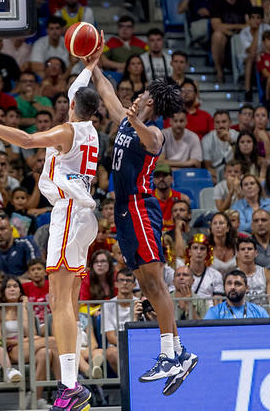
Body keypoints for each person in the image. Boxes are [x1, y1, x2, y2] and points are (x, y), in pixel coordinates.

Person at [0, 56, 102, 409]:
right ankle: (71, 381)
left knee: (58, 301)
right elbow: (78, 87)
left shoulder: (68, 131)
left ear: (73, 106)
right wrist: (90, 63)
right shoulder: (91, 130)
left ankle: (70, 386)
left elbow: (26, 139)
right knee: (68, 300)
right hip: (82, 217)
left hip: (69, 214)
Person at [88, 39, 196, 394]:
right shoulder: (125, 121)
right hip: (121, 209)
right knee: (145, 286)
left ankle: (171, 354)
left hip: (139, 206)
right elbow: (106, 95)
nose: (134, 98)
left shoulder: (155, 132)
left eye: (142, 95)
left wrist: (135, 119)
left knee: (154, 283)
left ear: (151, 101)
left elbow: (151, 141)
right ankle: (179, 354)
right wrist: (94, 67)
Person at [203, 270, 270, 319]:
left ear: (247, 288)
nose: (232, 287)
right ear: (224, 288)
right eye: (229, 283)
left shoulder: (259, 312)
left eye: (238, 284)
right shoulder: (215, 312)